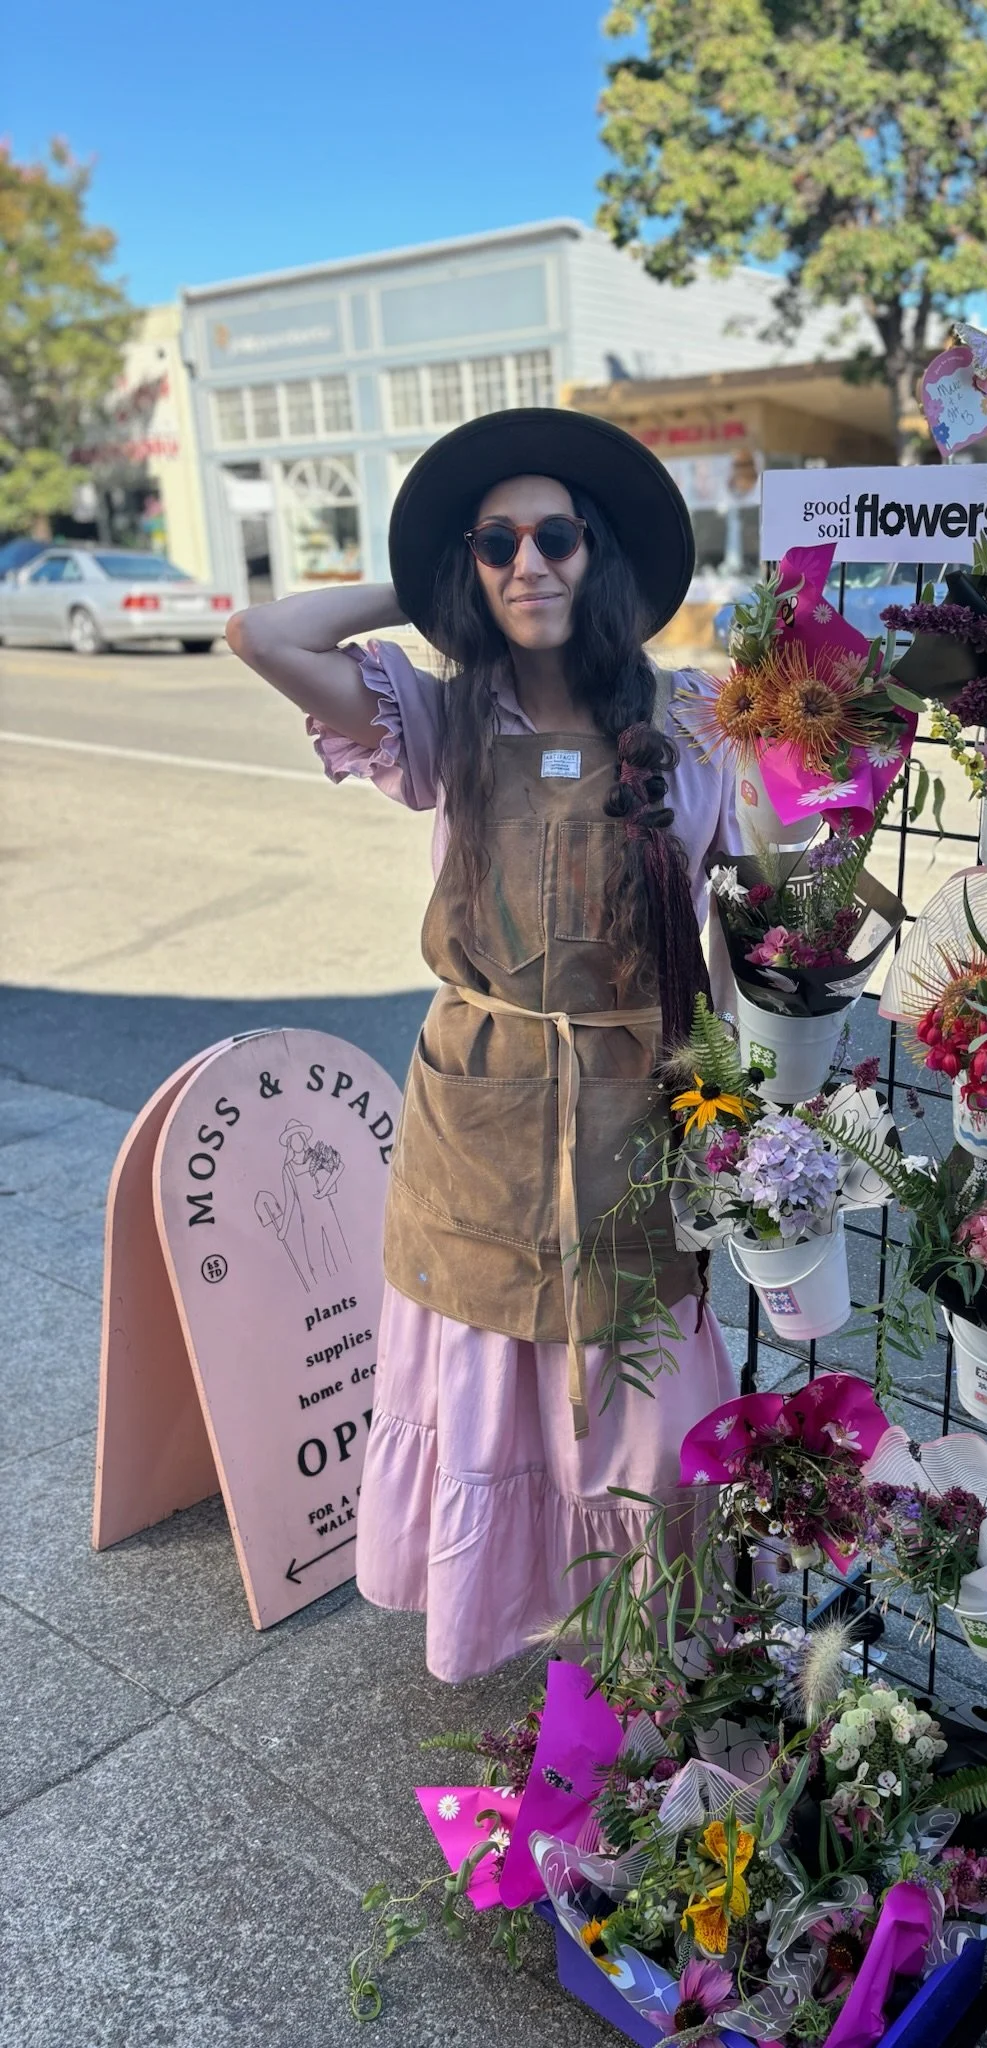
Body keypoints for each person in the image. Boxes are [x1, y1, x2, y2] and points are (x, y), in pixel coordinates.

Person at [227, 410, 740, 1681]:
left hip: (636, 1110)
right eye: (499, 543)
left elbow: (757, 910)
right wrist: (430, 575)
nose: (530, 564)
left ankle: (632, 1635)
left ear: (599, 552)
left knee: (633, 1376)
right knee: (486, 1368)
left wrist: (747, 1105)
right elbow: (266, 634)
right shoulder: (444, 717)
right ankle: (501, 1620)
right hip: (482, 1109)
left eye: (556, 536)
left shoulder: (693, 723)